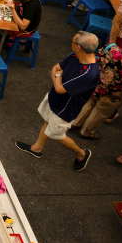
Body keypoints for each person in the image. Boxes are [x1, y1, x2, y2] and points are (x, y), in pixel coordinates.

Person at [15, 31, 100, 171]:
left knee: (57, 134)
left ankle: (82, 153)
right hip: (55, 98)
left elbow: (59, 84)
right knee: (47, 121)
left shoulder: (88, 73)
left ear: (78, 47)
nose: (71, 44)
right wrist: (58, 79)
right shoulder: (75, 55)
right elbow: (56, 70)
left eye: (72, 42)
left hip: (65, 108)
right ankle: (37, 148)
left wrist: (58, 77)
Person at [71, 30, 122, 139]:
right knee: (99, 114)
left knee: (88, 105)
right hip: (112, 96)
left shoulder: (111, 48)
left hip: (95, 85)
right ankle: (86, 132)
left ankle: (75, 123)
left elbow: (97, 57)